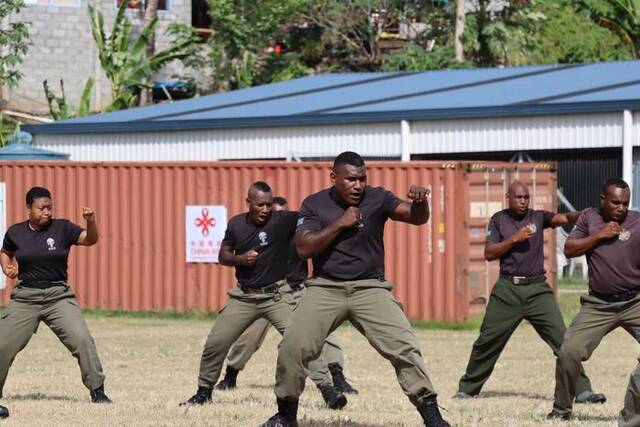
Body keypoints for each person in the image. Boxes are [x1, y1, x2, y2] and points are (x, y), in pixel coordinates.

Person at [261, 151, 450, 427]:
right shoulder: (314, 205)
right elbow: (303, 248)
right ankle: (286, 416)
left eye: (362, 178)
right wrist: (340, 223)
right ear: (334, 177)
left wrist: (421, 203)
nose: (358, 185)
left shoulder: (378, 198)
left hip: (370, 288)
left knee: (405, 347)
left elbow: (415, 217)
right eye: (351, 179)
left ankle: (433, 418)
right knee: (292, 346)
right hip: (325, 287)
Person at [181, 182, 346, 409]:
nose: (266, 210)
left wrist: (338, 211)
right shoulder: (236, 224)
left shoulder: (282, 221)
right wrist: (240, 260)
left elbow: (310, 218)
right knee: (216, 342)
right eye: (260, 205)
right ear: (248, 203)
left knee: (301, 341)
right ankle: (203, 392)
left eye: (269, 204)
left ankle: (328, 390)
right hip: (244, 297)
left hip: (277, 297)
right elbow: (223, 255)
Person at [453, 181, 605, 405]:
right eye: (519, 198)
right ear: (509, 197)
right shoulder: (499, 220)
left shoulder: (537, 217)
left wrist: (580, 214)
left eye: (526, 198)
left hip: (537, 290)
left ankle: (582, 390)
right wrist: (514, 239)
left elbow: (562, 219)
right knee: (487, 340)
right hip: (508, 289)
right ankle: (467, 388)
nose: (523, 202)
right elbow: (488, 252)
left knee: (564, 341)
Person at [216, 196, 358, 394]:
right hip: (269, 294)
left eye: (280, 213)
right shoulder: (261, 235)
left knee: (322, 332)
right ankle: (230, 376)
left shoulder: (301, 234)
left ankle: (337, 376)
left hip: (297, 290)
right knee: (249, 336)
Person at [0, 186, 111, 419]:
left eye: (50, 207)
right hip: (26, 297)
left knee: (82, 339)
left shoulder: (63, 228)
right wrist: (6, 266)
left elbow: (90, 240)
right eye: (41, 208)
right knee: (3, 344)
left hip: (58, 295)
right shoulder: (16, 232)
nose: (47, 212)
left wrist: (91, 221)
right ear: (28, 208)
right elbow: (5, 251)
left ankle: (97, 390)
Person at [547, 178, 640, 425]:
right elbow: (569, 249)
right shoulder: (589, 218)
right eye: (616, 202)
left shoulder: (637, 221)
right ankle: (561, 409)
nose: (621, 208)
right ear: (603, 200)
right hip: (598, 304)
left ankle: (633, 419)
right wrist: (599, 235)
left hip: (635, 302)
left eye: (625, 203)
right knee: (569, 352)